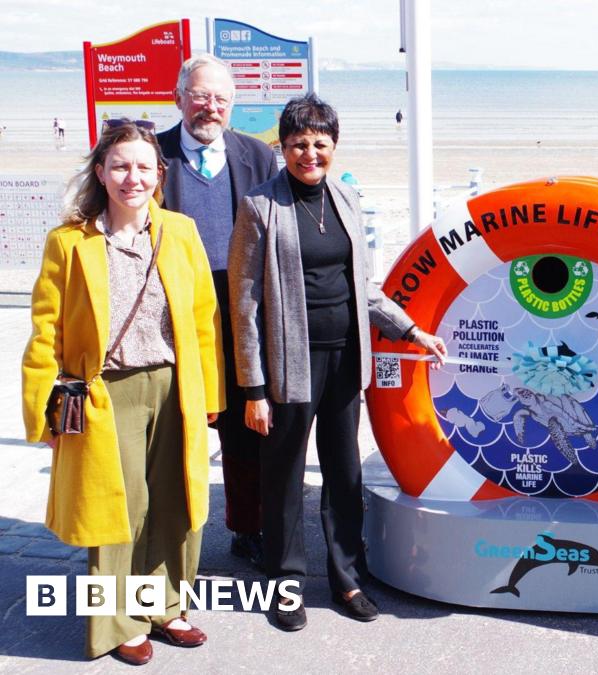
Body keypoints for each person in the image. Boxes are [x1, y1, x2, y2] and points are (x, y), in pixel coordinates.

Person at [228, 93, 448, 632]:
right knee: (282, 479)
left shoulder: (347, 199)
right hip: (288, 366)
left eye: (319, 144)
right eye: (298, 144)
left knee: (344, 472)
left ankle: (347, 576)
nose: (309, 153)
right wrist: (253, 389)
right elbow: (244, 303)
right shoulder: (260, 207)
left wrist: (412, 328)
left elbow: (363, 287)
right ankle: (284, 586)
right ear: (281, 148)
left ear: (334, 147)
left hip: (347, 359)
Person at [21, 120, 223, 665]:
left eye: (142, 166)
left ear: (159, 173)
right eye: (119, 166)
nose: (131, 177)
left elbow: (204, 318)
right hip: (105, 394)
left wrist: (210, 401)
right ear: (100, 172)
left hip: (176, 387)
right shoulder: (69, 242)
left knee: (176, 501)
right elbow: (46, 331)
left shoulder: (179, 232)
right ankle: (117, 622)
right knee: (116, 514)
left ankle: (167, 605)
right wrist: (41, 412)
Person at [158, 54, 277, 570]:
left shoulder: (258, 156)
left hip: (240, 310)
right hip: (171, 312)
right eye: (201, 95)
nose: (210, 107)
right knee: (171, 425)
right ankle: (164, 532)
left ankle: (246, 527)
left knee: (245, 429)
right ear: (179, 96)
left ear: (233, 105)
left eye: (221, 99)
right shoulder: (152, 155)